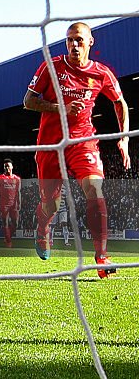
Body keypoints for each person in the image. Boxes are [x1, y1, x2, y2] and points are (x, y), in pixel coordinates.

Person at [23, 21, 130, 277]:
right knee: (52, 205)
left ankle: (101, 258)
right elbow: (28, 102)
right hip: (50, 143)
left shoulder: (101, 73)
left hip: (82, 141)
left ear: (90, 42)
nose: (74, 44)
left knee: (94, 187)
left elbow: (120, 102)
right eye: (69, 40)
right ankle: (43, 229)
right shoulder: (52, 66)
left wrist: (124, 138)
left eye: (79, 39)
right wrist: (61, 108)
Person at [0, 159, 22, 248]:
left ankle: (8, 236)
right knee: (5, 223)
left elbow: (19, 192)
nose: (6, 168)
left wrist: (20, 202)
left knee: (16, 224)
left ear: (12, 167)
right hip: (4, 204)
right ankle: (8, 242)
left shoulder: (17, 179)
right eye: (5, 166)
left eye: (8, 166)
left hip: (14, 204)